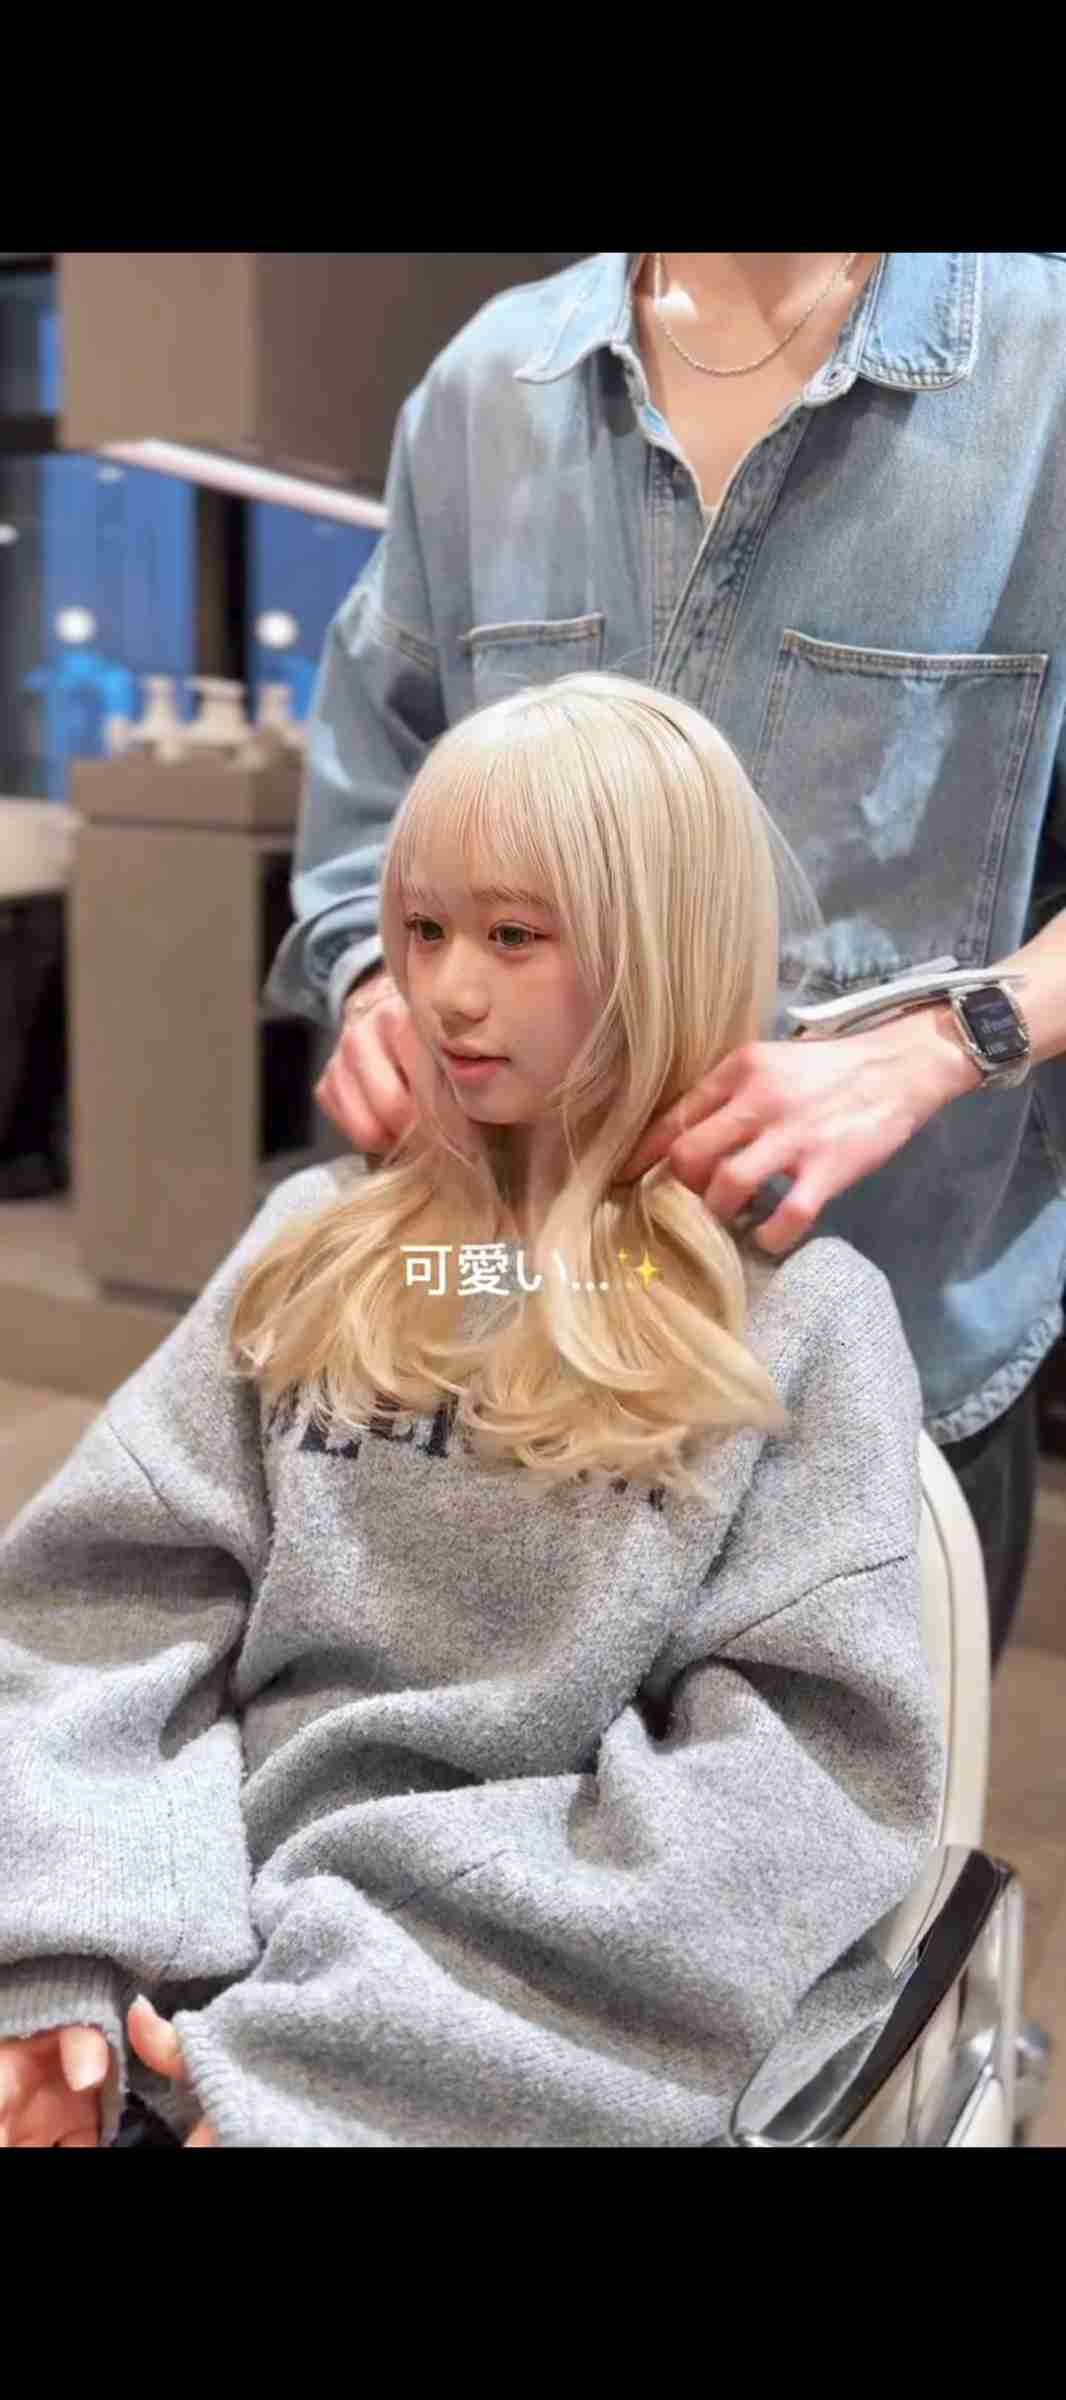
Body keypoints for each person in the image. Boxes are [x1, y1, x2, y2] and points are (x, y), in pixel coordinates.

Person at [0, 677, 942, 2150]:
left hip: (507, 2032)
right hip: (178, 1972)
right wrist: (67, 1949)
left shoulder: (801, 1318)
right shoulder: (314, 1244)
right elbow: (101, 1615)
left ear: (658, 945)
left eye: (513, 936)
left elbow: (793, 1788)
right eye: (424, 930)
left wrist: (330, 2060)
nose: (444, 992)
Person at [267, 250, 1066, 1667]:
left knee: (818, 1779)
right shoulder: (491, 388)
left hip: (879, 1315)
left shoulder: (1042, 373)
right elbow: (373, 783)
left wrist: (945, 1044)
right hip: (504, 1316)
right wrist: (381, 980)